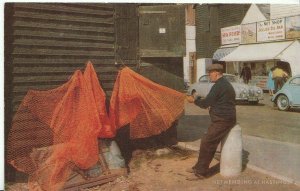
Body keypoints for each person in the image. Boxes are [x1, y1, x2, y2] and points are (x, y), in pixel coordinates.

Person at [186, 64, 236, 180]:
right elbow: (216, 101)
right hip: (223, 118)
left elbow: (206, 103)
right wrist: (199, 99)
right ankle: (198, 167)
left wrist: (194, 100)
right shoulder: (223, 84)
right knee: (207, 141)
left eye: (210, 73)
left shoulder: (219, 86)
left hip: (223, 120)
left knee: (207, 142)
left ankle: (200, 173)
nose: (209, 75)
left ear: (217, 73)